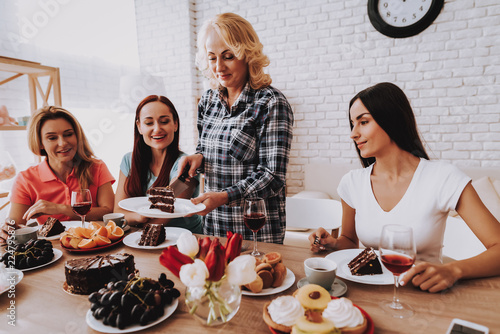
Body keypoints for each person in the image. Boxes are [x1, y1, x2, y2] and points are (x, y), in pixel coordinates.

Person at [308, 82, 500, 292]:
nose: (353, 134)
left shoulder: (444, 177)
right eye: (352, 124)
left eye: (363, 122)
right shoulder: (351, 183)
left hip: (426, 297)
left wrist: (454, 270)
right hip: (368, 295)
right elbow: (350, 241)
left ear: (391, 120)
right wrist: (333, 243)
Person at [178, 13, 294, 244]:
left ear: (247, 55)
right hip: (214, 229)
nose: (219, 66)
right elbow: (205, 146)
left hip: (256, 233)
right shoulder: (208, 101)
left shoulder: (271, 103)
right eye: (212, 58)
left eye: (228, 56)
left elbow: (272, 177)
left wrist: (224, 197)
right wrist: (198, 157)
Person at [0, 106, 115, 243]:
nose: (63, 143)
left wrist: (59, 208)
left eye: (68, 134)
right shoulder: (25, 179)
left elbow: (109, 212)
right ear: (40, 143)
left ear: (77, 136)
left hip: (92, 244)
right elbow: (15, 225)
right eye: (52, 138)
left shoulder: (96, 167)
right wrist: (7, 229)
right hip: (51, 252)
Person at [114, 95, 203, 233]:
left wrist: (134, 218)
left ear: (175, 124)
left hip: (182, 241)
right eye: (149, 123)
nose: (157, 129)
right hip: (141, 236)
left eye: (164, 121)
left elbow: (163, 215)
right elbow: (118, 211)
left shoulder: (185, 164)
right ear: (139, 127)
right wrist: (138, 216)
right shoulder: (128, 160)